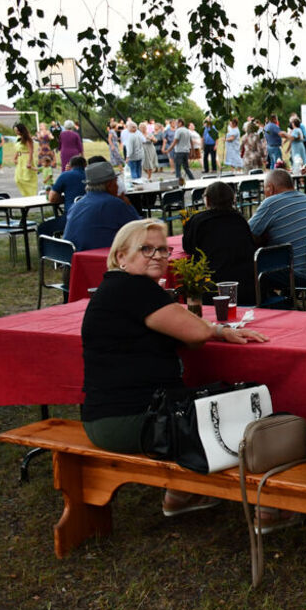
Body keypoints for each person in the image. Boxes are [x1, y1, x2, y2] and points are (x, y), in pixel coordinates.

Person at [81, 218, 267, 516]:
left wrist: (212, 330)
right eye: (146, 249)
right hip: (130, 419)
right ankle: (270, 503)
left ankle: (181, 493)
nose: (157, 256)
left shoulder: (119, 287)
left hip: (107, 417)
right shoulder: (136, 289)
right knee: (243, 413)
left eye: (163, 250)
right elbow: (196, 334)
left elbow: (190, 338)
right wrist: (217, 330)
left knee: (217, 409)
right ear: (121, 257)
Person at [249, 168, 306, 287]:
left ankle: (275, 303)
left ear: (270, 188)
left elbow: (246, 233)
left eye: (264, 190)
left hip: (304, 275)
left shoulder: (271, 203)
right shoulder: (305, 197)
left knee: (253, 266)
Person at [182, 181, 257, 306]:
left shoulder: (198, 221)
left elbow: (188, 247)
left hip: (212, 287)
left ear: (207, 200)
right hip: (245, 286)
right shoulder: (239, 219)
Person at [63, 161, 141, 251]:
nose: (117, 186)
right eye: (116, 182)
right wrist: (128, 203)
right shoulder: (114, 203)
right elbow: (139, 228)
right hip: (99, 258)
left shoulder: (77, 204)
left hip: (72, 258)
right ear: (109, 185)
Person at [48, 155, 87, 220]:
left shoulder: (65, 175)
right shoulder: (92, 176)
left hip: (71, 216)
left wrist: (66, 198)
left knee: (42, 228)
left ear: (70, 165)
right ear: (85, 165)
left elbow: (52, 198)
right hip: (91, 215)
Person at [12, 122, 37, 196]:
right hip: (20, 160)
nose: (16, 132)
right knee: (18, 179)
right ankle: (25, 194)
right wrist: (16, 157)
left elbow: (30, 151)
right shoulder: (18, 138)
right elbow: (20, 151)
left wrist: (29, 162)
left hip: (27, 159)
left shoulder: (27, 139)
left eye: (17, 130)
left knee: (27, 178)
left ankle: (31, 194)